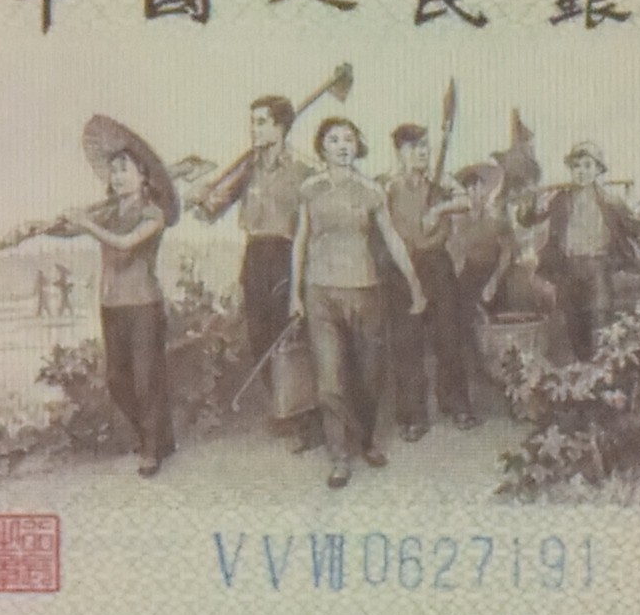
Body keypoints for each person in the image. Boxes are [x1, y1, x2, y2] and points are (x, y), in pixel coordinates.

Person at [15, 151, 175, 476]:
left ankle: (151, 448)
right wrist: (41, 228)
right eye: (113, 172)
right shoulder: (108, 211)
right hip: (111, 304)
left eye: (124, 170)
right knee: (116, 380)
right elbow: (70, 230)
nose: (117, 178)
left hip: (144, 305)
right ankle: (157, 437)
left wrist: (87, 223)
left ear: (143, 176)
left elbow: (124, 243)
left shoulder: (153, 214)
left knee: (146, 380)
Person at [291, 118, 428, 488]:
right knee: (329, 380)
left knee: (369, 376)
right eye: (334, 140)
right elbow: (300, 241)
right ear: (322, 148)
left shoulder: (371, 191)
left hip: (365, 292)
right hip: (320, 293)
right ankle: (339, 457)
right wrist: (294, 295)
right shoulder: (310, 190)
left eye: (349, 139)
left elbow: (393, 239)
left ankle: (366, 440)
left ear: (358, 146)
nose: (342, 146)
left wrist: (415, 285)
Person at [195, 96, 316, 450]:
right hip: (255, 256)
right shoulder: (247, 170)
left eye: (261, 122)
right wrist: (202, 196)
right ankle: (283, 405)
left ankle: (307, 415)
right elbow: (209, 212)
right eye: (252, 122)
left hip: (288, 254)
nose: (254, 129)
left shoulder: (303, 170)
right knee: (259, 336)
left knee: (291, 336)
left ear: (281, 126)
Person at [521, 142, 640, 362]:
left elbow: (639, 233)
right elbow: (528, 220)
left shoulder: (610, 202)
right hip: (568, 270)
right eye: (576, 166)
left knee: (600, 326)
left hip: (598, 270)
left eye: (587, 165)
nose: (581, 171)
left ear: (598, 170)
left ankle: (600, 371)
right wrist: (530, 202)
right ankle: (582, 373)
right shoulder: (560, 200)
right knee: (573, 327)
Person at [383, 123, 480, 435]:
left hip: (437, 264)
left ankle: (456, 403)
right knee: (407, 342)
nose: (422, 153)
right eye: (413, 147)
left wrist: (438, 210)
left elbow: (466, 201)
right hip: (401, 267)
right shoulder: (388, 186)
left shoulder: (440, 181)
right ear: (399, 153)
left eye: (425, 146)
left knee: (449, 336)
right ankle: (413, 415)